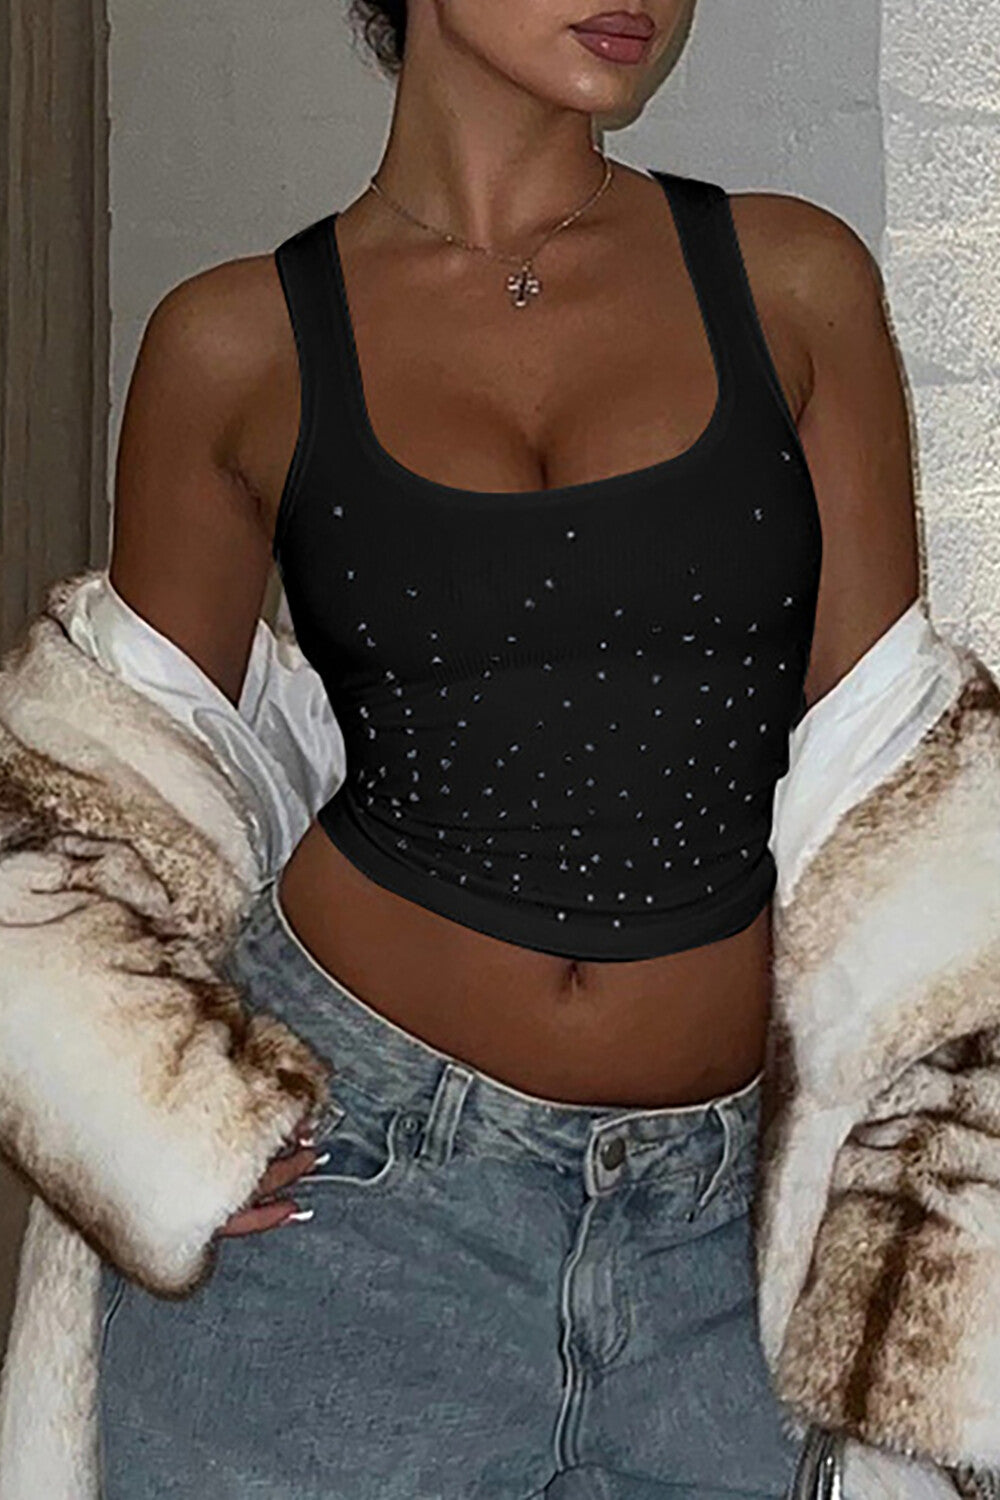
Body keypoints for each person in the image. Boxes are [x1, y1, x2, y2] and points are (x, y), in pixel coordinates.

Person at [97, 0, 921, 1494]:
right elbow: (130, 791)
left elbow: (892, 785)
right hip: (350, 1206)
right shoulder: (231, 343)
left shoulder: (794, 283)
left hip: (723, 1247)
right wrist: (146, 1103)